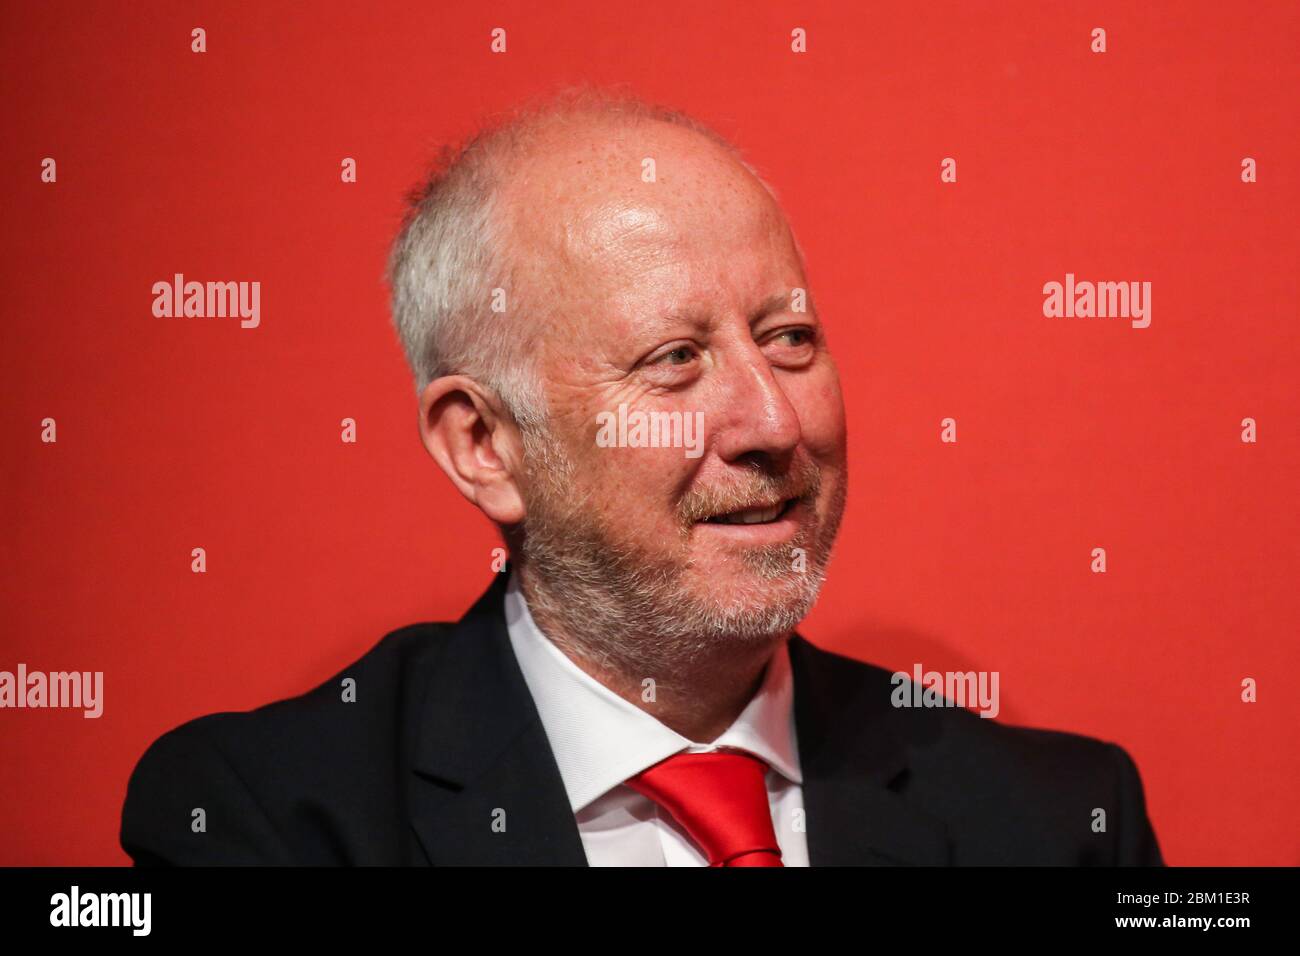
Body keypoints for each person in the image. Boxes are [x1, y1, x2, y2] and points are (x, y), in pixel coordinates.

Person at [120, 88, 1163, 866]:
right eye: (674, 359)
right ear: (485, 444)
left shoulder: (1062, 822)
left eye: (789, 338)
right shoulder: (269, 821)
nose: (774, 422)